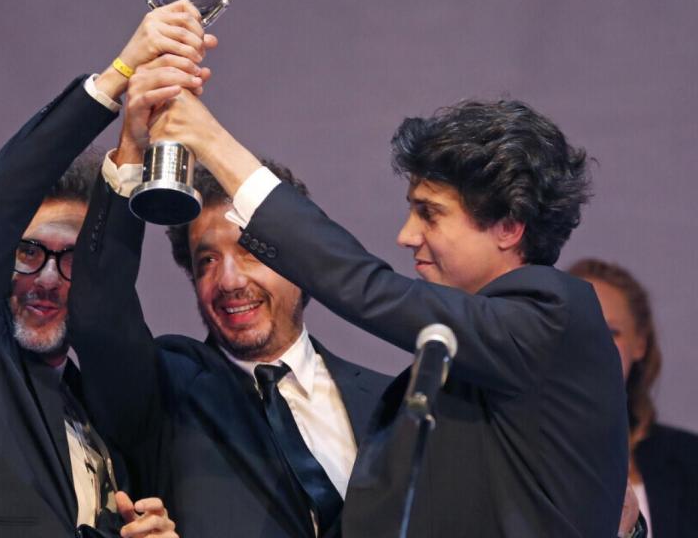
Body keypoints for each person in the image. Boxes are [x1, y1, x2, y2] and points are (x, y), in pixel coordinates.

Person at [138, 92, 629, 536]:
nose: (407, 235)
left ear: (507, 226)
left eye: (429, 213)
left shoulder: (555, 317)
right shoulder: (456, 375)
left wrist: (211, 142)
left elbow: (364, 287)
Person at [0, 2, 214, 538]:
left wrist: (133, 144)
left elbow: (106, 280)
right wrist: (117, 79)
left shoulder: (96, 414)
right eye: (28, 252)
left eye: (69, 260)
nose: (46, 278)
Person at [67, 62, 392, 538]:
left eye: (251, 252)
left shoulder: (391, 402)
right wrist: (133, 149)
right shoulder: (167, 389)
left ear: (302, 267)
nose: (229, 280)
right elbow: (97, 316)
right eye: (206, 261)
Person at [570, 258, 698, 538]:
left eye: (612, 332)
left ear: (639, 344)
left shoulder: (690, 460)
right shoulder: (512, 446)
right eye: (580, 328)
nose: (595, 345)